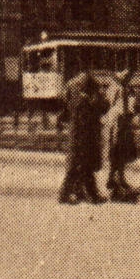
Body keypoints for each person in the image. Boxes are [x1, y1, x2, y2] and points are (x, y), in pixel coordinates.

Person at [58, 73, 106, 204]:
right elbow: (89, 119)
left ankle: (89, 195)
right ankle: (66, 196)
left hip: (78, 139)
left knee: (83, 169)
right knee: (77, 169)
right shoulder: (83, 102)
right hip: (81, 140)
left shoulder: (76, 98)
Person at [103, 72, 139, 202]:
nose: (128, 79)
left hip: (124, 122)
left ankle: (120, 179)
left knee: (123, 151)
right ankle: (111, 179)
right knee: (115, 150)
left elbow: (132, 105)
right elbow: (109, 104)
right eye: (126, 77)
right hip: (116, 122)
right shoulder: (115, 87)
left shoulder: (127, 88)